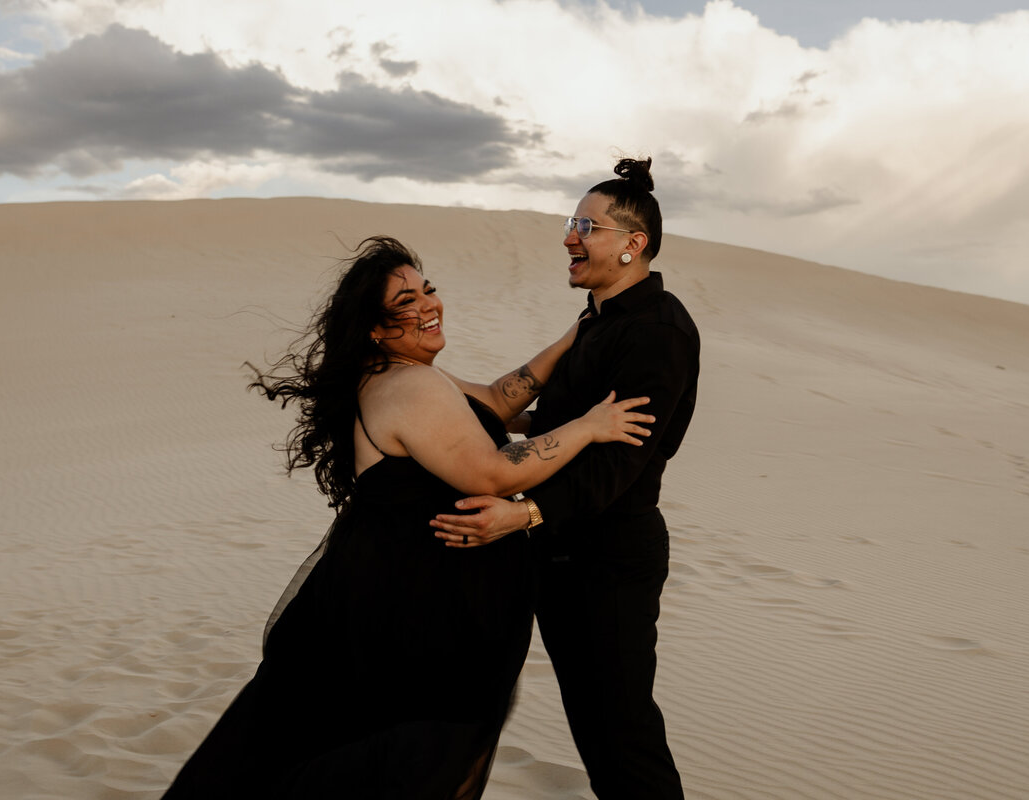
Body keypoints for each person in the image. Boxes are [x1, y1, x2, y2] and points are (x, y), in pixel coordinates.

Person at [163, 236, 654, 799]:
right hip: (411, 623)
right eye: (405, 302)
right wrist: (591, 426)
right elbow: (492, 473)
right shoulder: (408, 386)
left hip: (406, 608)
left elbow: (495, 400)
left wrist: (576, 333)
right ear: (375, 326)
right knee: (404, 763)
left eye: (428, 290)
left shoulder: (404, 376)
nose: (428, 305)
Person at [432, 158, 699, 799]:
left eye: (587, 225)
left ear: (633, 245)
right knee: (594, 729)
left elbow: (617, 465)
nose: (569, 237)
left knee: (622, 737)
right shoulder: (596, 320)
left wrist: (520, 513)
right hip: (560, 551)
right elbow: (566, 419)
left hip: (607, 559)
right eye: (570, 221)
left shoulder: (656, 331)